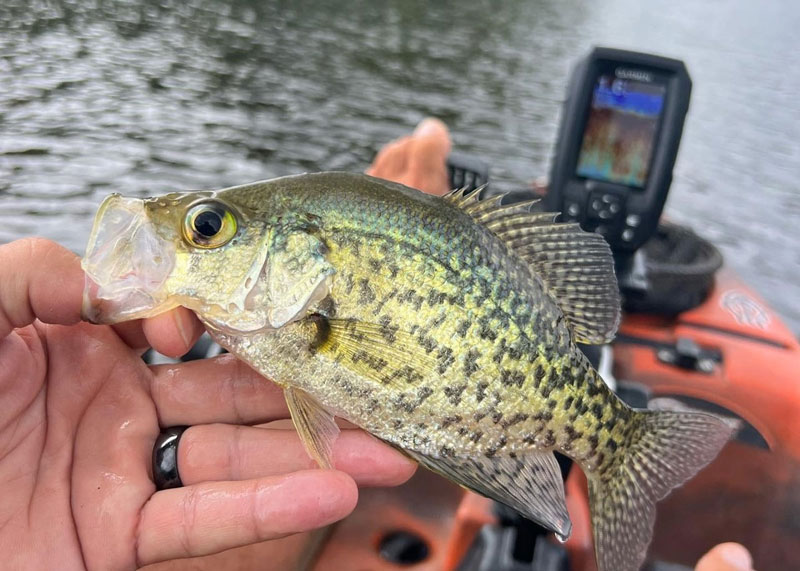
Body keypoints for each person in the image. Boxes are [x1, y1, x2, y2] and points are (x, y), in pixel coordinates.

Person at [0, 119, 754, 571]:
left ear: (299, 252)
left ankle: (614, 440)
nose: (192, 238)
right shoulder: (286, 320)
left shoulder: (297, 314)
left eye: (206, 228)